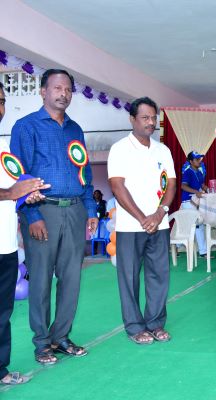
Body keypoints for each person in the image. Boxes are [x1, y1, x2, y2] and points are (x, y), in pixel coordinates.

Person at [11, 69, 98, 365]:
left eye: (68, 89)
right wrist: (31, 214)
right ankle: (41, 343)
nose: (64, 94)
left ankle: (61, 337)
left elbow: (84, 171)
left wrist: (90, 209)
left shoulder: (76, 130)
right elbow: (20, 174)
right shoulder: (26, 126)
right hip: (42, 212)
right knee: (40, 280)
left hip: (74, 210)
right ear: (43, 91)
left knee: (71, 278)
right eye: (58, 88)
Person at [108, 97, 176, 345]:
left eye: (153, 117)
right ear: (132, 119)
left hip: (160, 224)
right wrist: (142, 218)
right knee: (129, 277)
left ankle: (155, 323)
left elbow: (171, 184)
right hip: (130, 227)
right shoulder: (119, 149)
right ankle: (135, 327)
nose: (151, 122)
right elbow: (118, 186)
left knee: (159, 275)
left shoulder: (163, 150)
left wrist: (160, 213)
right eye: (145, 117)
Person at [0, 82, 49, 385]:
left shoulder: (4, 148)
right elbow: (7, 192)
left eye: (2, 100)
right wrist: (11, 193)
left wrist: (27, 195)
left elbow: (12, 192)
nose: (0, 107)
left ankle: (0, 371)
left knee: (3, 313)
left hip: (5, 244)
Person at [180, 151, 209, 257]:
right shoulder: (188, 172)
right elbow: (183, 186)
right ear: (191, 161)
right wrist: (196, 192)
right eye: (197, 159)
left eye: (200, 159)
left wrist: (207, 188)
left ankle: (202, 251)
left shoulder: (199, 172)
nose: (199, 161)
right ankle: (176, 245)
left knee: (197, 225)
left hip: (196, 201)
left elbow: (202, 185)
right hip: (188, 201)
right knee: (195, 225)